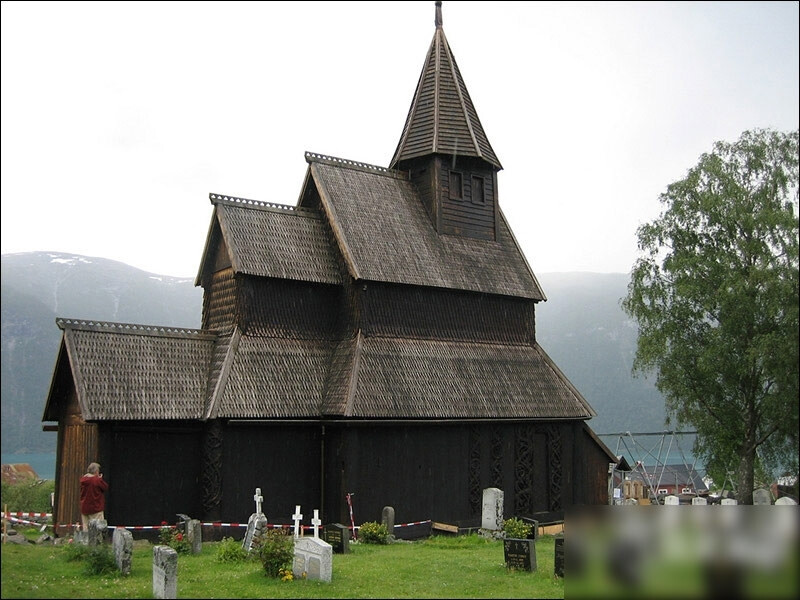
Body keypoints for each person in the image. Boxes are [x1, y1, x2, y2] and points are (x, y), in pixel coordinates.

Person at [80, 462, 108, 531]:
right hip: (95, 508)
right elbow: (105, 487)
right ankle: (96, 541)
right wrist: (100, 479)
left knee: (86, 528)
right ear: (96, 471)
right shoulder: (96, 480)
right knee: (98, 528)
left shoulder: (83, 479)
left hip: (84, 508)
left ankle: (85, 541)